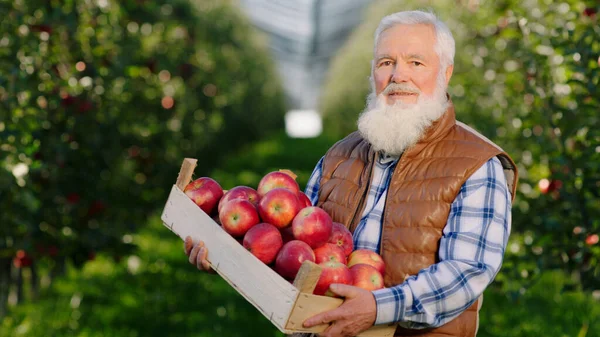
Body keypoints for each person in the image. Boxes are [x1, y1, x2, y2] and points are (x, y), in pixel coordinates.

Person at [185, 9, 518, 337]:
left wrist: (377, 308)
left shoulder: (476, 164)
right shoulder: (339, 156)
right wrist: (230, 253)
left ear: (445, 73)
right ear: (373, 72)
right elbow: (290, 247)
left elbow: (466, 272)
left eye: (416, 62)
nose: (398, 75)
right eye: (386, 62)